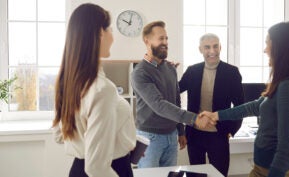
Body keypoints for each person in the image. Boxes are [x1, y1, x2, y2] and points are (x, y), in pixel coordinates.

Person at [205, 22, 289, 177]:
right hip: (263, 166)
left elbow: (286, 147)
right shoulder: (284, 80)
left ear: (281, 47)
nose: (265, 49)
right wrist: (217, 115)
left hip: (276, 168)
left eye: (268, 43)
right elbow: (255, 107)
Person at [52, 3, 136, 177]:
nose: (113, 37)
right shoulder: (103, 90)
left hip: (78, 169)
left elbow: (60, 136)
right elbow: (96, 167)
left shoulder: (69, 81)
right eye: (111, 29)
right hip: (111, 169)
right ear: (100, 33)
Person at [131, 21, 211, 168]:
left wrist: (180, 131)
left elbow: (176, 101)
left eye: (166, 38)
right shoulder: (140, 72)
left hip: (171, 135)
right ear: (147, 41)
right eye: (161, 38)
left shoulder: (170, 68)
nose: (165, 42)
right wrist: (193, 119)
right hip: (149, 138)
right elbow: (159, 105)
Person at [179, 33, 244, 177]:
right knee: (196, 174)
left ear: (220, 47)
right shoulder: (192, 71)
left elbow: (240, 105)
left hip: (219, 135)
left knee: (219, 174)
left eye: (215, 46)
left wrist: (231, 130)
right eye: (207, 47)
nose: (212, 51)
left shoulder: (231, 72)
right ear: (200, 49)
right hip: (194, 134)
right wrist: (167, 72)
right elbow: (174, 91)